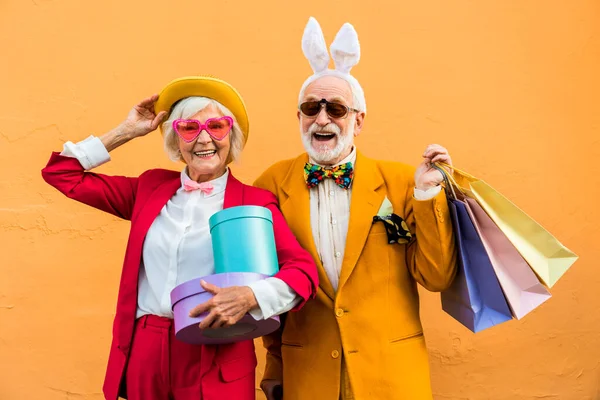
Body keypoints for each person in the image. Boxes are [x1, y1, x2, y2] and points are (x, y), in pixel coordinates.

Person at [41, 76, 318, 400]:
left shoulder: (253, 201)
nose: (204, 139)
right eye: (189, 128)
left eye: (216, 126)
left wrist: (251, 296)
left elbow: (303, 272)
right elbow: (62, 174)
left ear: (232, 135)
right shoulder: (149, 187)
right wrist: (126, 131)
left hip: (217, 349)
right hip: (147, 349)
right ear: (176, 139)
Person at [256, 18, 457, 400]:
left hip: (391, 377)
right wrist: (274, 367)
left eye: (336, 109)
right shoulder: (271, 184)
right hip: (308, 378)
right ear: (298, 117)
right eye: (311, 107)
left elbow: (436, 277)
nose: (322, 118)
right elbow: (266, 286)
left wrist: (429, 196)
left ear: (358, 120)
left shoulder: (401, 183)